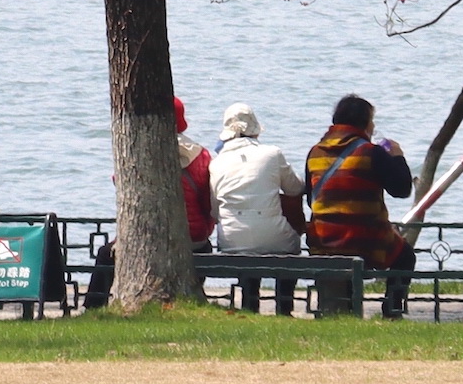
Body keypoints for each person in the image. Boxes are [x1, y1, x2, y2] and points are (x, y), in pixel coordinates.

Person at [302, 93, 416, 270]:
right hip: (365, 243)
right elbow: (402, 189)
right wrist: (398, 157)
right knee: (406, 257)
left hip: (321, 243)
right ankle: (391, 299)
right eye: (372, 120)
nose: (373, 126)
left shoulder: (315, 153)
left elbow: (312, 201)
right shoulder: (371, 152)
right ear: (365, 124)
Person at [209, 106, 306, 258]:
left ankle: (248, 282)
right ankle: (285, 282)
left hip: (231, 241)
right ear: (256, 130)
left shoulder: (216, 163)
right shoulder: (272, 154)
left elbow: (215, 212)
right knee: (289, 240)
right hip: (275, 238)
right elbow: (295, 189)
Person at [174, 97, 214, 253]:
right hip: (195, 237)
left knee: (104, 255)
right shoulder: (201, 154)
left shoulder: (142, 151)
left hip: (152, 236)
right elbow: (208, 200)